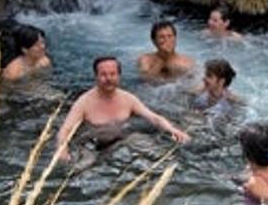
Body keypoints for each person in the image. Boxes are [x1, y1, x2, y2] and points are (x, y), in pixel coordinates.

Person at [56, 56, 190, 162]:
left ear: (119, 76)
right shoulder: (84, 102)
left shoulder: (128, 99)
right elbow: (65, 130)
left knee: (157, 154)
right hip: (91, 145)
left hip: (122, 140)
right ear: (96, 77)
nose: (108, 79)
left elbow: (153, 118)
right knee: (81, 167)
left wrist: (173, 130)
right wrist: (63, 149)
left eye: (112, 74)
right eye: (103, 75)